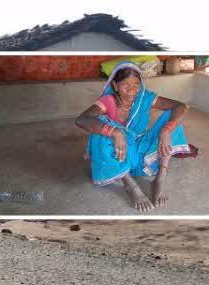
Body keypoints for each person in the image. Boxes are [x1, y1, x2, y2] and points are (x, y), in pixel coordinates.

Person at [75, 61, 191, 212]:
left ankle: (160, 177)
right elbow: (82, 119)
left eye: (136, 84)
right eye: (126, 84)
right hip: (122, 154)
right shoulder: (108, 101)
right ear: (115, 86)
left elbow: (181, 106)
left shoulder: (144, 98)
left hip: (143, 152)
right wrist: (115, 132)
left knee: (172, 119)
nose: (132, 90)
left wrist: (167, 130)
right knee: (101, 128)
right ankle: (130, 184)